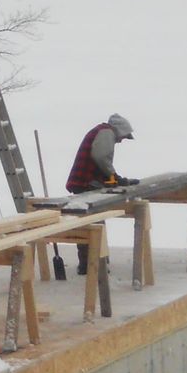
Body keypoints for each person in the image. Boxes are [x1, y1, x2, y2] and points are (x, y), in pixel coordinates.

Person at [65, 113, 137, 272]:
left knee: (86, 222)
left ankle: (88, 264)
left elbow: (99, 163)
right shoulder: (107, 133)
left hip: (83, 182)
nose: (121, 140)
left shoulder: (102, 132)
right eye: (123, 137)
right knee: (94, 222)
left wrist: (113, 179)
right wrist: (115, 177)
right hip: (84, 183)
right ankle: (95, 264)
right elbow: (101, 157)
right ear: (120, 130)